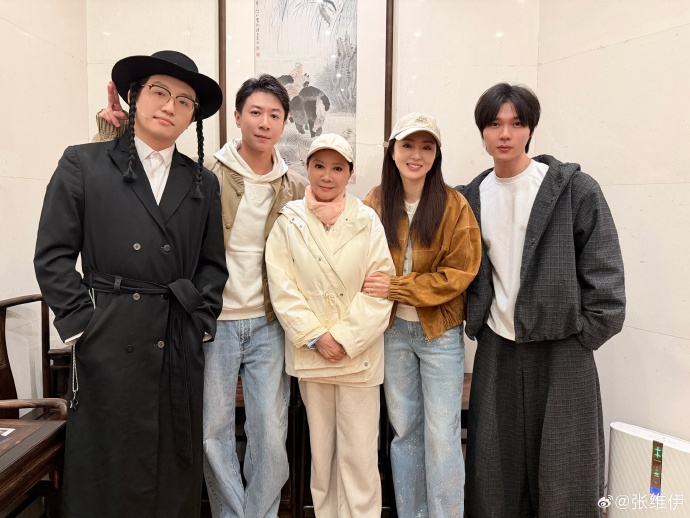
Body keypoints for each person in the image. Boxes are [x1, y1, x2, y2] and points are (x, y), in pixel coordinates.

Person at [97, 74, 308, 517]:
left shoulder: (294, 187)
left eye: (274, 115)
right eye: (255, 112)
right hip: (214, 321)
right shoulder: (204, 172)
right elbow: (141, 188)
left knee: (271, 431)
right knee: (212, 431)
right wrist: (113, 135)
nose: (264, 122)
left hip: (270, 323)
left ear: (285, 122)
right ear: (237, 116)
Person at [34, 50, 228, 518]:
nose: (170, 106)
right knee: (109, 461)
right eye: (159, 92)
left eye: (184, 101)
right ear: (134, 96)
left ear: (192, 117)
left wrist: (200, 322)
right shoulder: (84, 163)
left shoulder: (202, 181)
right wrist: (83, 323)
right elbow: (53, 254)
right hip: (109, 333)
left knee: (171, 465)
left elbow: (212, 266)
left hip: (176, 336)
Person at [458, 83, 626, 518]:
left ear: (530, 128)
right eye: (494, 124)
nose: (505, 134)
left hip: (563, 349)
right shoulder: (470, 198)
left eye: (516, 123)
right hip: (497, 349)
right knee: (494, 477)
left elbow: (606, 275)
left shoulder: (574, 189)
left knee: (565, 477)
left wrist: (582, 337)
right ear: (482, 131)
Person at [265, 134, 395, 517]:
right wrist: (316, 337)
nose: (327, 175)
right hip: (313, 356)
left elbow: (380, 287)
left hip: (359, 356)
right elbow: (282, 285)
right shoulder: (289, 220)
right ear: (307, 168)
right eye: (319, 166)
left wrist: (343, 338)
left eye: (337, 168)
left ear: (350, 173)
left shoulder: (367, 220)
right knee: (321, 458)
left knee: (360, 456)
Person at [363, 113, 481, 517]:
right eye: (408, 145)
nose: (416, 155)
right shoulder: (376, 201)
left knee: (442, 436)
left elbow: (458, 275)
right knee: (405, 433)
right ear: (392, 151)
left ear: (436, 154)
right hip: (392, 333)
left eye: (426, 147)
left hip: (440, 335)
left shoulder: (454, 205)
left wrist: (397, 287)